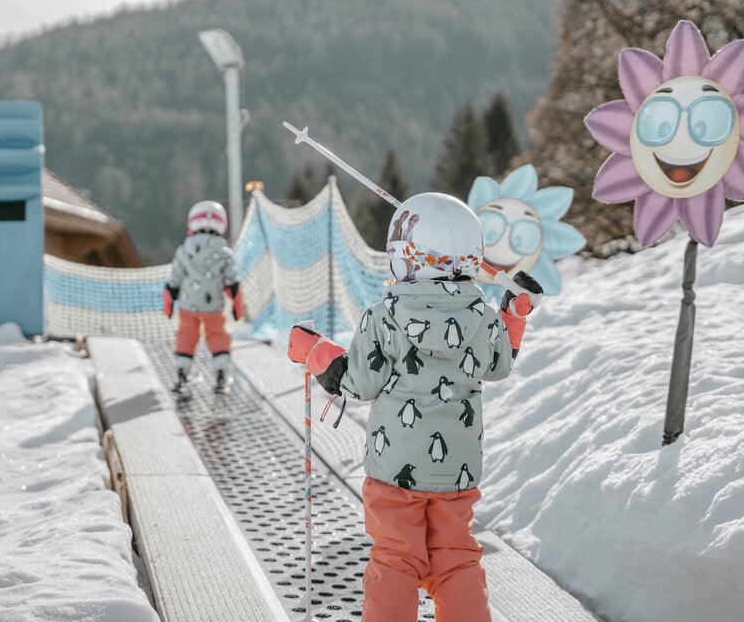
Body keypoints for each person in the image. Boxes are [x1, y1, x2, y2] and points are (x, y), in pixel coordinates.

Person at [287, 192, 542, 622]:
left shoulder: (384, 314)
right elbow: (499, 366)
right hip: (456, 470)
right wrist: (513, 314)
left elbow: (359, 382)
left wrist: (314, 352)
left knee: (396, 559)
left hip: (395, 467)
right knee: (456, 560)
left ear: (409, 258)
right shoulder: (482, 316)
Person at [163, 200, 244, 393]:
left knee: (187, 334)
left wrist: (169, 301)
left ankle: (182, 371)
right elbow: (233, 283)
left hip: (188, 305)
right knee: (217, 334)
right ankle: (221, 373)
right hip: (213, 306)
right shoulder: (225, 254)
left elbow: (174, 281)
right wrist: (237, 306)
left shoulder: (183, 250)